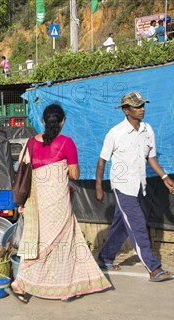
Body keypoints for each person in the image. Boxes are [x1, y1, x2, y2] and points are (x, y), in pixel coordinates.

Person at [10, 104, 112, 303]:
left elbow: (22, 174)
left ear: (43, 122)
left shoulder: (30, 143)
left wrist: (21, 203)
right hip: (58, 202)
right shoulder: (67, 143)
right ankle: (47, 284)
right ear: (62, 122)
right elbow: (75, 174)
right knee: (62, 242)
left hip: (36, 202)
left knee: (37, 243)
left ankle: (24, 281)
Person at [95, 91, 174, 282]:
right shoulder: (116, 133)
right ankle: (153, 268)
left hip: (138, 185)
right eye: (137, 106)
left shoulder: (147, 130)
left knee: (122, 225)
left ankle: (105, 257)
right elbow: (102, 161)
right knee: (138, 224)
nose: (142, 109)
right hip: (122, 187)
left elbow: (151, 157)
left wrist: (165, 177)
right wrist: (99, 186)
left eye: (143, 105)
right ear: (126, 110)